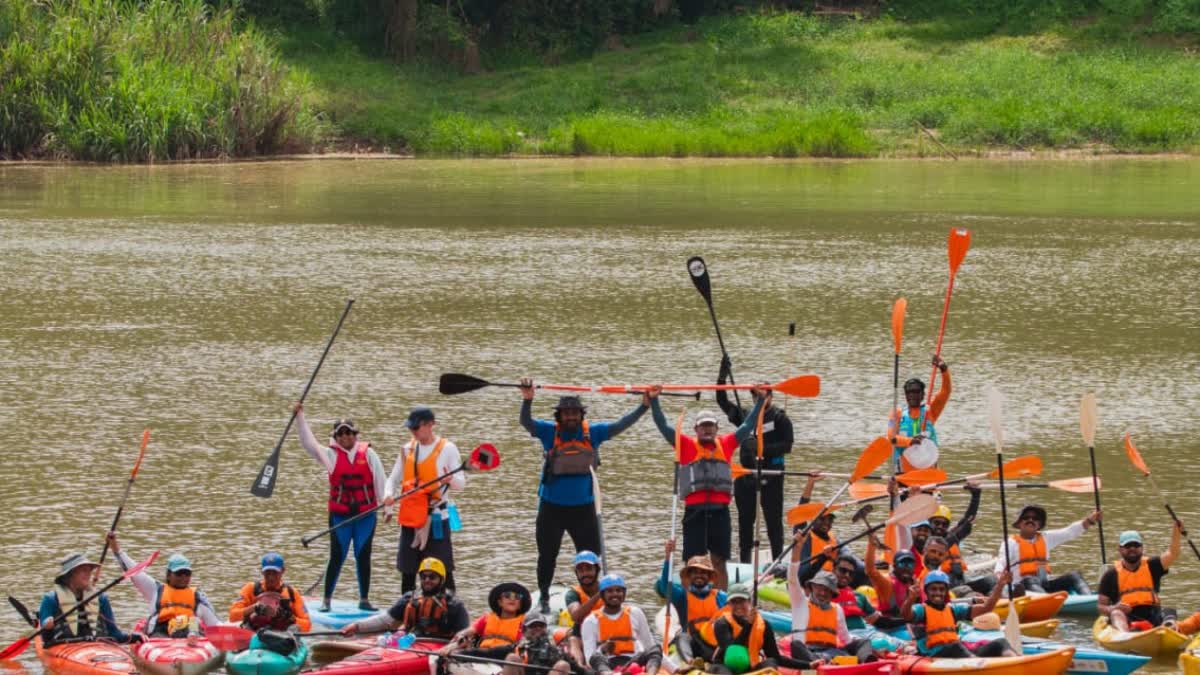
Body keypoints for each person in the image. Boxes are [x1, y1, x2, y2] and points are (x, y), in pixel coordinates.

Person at [518, 379, 649, 613]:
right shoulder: (549, 432)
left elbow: (621, 425)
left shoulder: (593, 434)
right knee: (547, 555)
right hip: (552, 508)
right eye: (566, 414)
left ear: (581, 415)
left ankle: (596, 597)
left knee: (592, 558)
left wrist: (644, 406)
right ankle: (545, 596)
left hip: (584, 509)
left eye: (575, 413)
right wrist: (527, 400)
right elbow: (525, 422)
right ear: (559, 416)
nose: (571, 417)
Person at [648, 384, 767, 590]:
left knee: (719, 562)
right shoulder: (686, 445)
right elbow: (663, 426)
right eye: (703, 426)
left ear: (716, 428)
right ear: (696, 429)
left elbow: (747, 426)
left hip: (720, 513)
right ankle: (689, 601)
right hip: (694, 513)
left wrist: (759, 402)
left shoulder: (727, 444)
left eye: (710, 425)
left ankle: (720, 601)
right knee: (693, 563)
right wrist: (654, 401)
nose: (707, 429)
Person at [294, 402, 387, 612]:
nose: (345, 437)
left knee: (363, 555)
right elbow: (308, 443)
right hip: (340, 517)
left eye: (349, 433)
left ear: (355, 435)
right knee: (337, 555)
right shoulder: (330, 455)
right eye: (340, 434)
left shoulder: (369, 455)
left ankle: (364, 599)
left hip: (366, 516)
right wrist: (300, 417)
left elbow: (380, 480)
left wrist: (387, 507)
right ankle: (326, 600)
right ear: (335, 438)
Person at [716, 357, 793, 563]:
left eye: (760, 394)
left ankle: (777, 562)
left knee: (773, 522)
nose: (755, 398)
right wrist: (723, 374)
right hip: (746, 476)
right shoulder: (745, 416)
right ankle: (745, 563)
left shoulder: (780, 418)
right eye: (753, 394)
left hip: (771, 475)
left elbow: (787, 445)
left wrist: (762, 449)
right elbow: (722, 401)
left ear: (770, 395)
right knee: (745, 522)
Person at [385, 406, 465, 594]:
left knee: (441, 570)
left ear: (430, 425)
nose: (413, 432)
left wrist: (450, 479)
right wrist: (388, 495)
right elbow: (393, 479)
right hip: (411, 518)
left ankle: (449, 608)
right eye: (411, 428)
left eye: (416, 427)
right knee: (408, 570)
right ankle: (407, 610)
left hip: (436, 518)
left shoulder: (447, 449)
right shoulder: (407, 449)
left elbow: (461, 484)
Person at [107, 533, 219, 637]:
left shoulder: (198, 597)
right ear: (169, 575)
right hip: (160, 636)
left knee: (193, 621)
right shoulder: (156, 590)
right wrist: (116, 549)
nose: (183, 577)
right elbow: (134, 571)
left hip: (190, 634)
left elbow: (215, 624)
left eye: (187, 573)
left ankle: (192, 637)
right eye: (179, 573)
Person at [340, 557, 470, 639]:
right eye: (424, 576)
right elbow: (385, 620)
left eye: (432, 577)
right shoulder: (410, 597)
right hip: (410, 643)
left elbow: (465, 635)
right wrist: (356, 626)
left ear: (441, 580)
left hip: (438, 645)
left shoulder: (454, 605)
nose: (427, 580)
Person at [902, 570, 1016, 658]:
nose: (938, 593)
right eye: (933, 589)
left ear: (946, 592)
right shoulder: (921, 610)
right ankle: (976, 665)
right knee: (955, 646)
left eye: (941, 589)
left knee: (1001, 643)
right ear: (926, 591)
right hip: (934, 655)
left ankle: (1017, 664)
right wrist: (910, 599)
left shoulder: (953, 609)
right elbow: (906, 615)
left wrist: (1000, 585)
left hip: (957, 652)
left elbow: (986, 608)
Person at [786, 554, 877, 666]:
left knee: (864, 642)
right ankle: (820, 664)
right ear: (812, 587)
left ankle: (868, 665)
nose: (823, 593)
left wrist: (860, 647)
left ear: (832, 593)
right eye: (820, 588)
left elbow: (846, 639)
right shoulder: (801, 604)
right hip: (809, 652)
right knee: (796, 645)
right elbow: (792, 579)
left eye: (827, 590)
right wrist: (797, 549)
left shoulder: (837, 609)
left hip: (831, 652)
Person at [701, 584, 814, 673]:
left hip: (750, 667)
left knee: (771, 661)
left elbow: (776, 657)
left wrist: (807, 665)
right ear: (729, 604)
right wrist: (748, 625)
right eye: (734, 602)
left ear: (749, 601)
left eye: (742, 601)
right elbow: (733, 652)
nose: (738, 606)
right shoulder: (722, 624)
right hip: (725, 666)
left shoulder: (764, 625)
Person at [993, 504, 1100, 595]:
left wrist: (1090, 520)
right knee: (1030, 579)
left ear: (1039, 524)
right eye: (1026, 518)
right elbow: (1001, 563)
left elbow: (1070, 532)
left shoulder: (1046, 537)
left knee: (1074, 575)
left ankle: (1089, 598)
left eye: (1035, 519)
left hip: (1045, 584)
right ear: (1019, 523)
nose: (1030, 520)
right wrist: (999, 577)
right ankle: (1046, 601)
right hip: (1023, 587)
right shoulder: (1010, 542)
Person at [38, 553, 134, 647]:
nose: (88, 574)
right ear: (70, 574)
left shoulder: (101, 598)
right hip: (63, 648)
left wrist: (134, 637)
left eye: (89, 571)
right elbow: (46, 640)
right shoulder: (51, 599)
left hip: (97, 647)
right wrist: (47, 627)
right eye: (84, 570)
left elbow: (114, 634)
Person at [1098, 527, 1182, 631]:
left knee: (1169, 611)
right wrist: (1113, 608)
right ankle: (1124, 635)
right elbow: (1101, 606)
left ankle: (1168, 631)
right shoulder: (1110, 575)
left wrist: (1176, 531)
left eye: (1136, 545)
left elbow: (1173, 553)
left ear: (1142, 548)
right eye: (1128, 546)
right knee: (1116, 613)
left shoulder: (1153, 565)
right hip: (1127, 618)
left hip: (1153, 617)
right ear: (1120, 549)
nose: (1132, 548)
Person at [655, 544, 727, 664]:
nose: (699, 575)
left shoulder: (720, 597)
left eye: (703, 572)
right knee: (681, 636)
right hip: (691, 646)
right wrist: (668, 558)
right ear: (689, 576)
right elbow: (665, 586)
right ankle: (690, 662)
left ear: (709, 576)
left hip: (714, 646)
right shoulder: (682, 597)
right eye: (695, 572)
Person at [580, 574, 661, 675]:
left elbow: (649, 644)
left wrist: (674, 669)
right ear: (602, 595)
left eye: (618, 590)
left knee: (655, 649)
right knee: (595, 657)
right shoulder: (591, 621)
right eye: (610, 591)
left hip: (632, 661)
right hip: (607, 664)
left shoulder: (635, 613)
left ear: (624, 594)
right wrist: (602, 649)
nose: (615, 594)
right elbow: (589, 658)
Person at [888, 355, 951, 472]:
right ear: (905, 395)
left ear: (923, 395)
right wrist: (910, 441)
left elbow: (945, 391)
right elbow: (891, 438)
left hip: (928, 472)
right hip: (904, 474)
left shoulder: (930, 411)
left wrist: (943, 369)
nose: (912, 395)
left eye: (916, 392)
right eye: (909, 392)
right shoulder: (896, 413)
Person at [441, 582, 530, 660]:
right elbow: (469, 631)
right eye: (507, 595)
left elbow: (525, 643)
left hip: (505, 656)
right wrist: (456, 641)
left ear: (520, 605)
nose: (512, 599)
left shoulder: (525, 622)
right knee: (455, 653)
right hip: (482, 653)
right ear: (500, 602)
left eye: (517, 597)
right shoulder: (487, 618)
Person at [228, 553, 312, 632]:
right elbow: (232, 616)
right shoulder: (250, 589)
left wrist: (290, 618)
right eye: (267, 573)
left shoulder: (292, 593)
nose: (271, 577)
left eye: (275, 573)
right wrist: (254, 608)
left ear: (282, 571)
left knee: (294, 628)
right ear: (262, 572)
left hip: (283, 635)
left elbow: (307, 625)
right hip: (255, 632)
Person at [927, 497, 995, 594]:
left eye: (944, 524)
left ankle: (992, 600)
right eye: (936, 523)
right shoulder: (927, 542)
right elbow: (947, 542)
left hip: (960, 579)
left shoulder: (952, 535)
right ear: (930, 523)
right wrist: (961, 532)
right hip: (941, 585)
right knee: (965, 590)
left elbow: (969, 518)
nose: (940, 526)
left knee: (991, 580)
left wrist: (976, 494)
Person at [864, 534, 917, 631]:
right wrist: (871, 546)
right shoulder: (887, 583)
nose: (906, 567)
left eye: (909, 564)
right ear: (895, 566)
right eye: (902, 563)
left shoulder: (915, 583)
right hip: (888, 628)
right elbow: (870, 570)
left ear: (914, 568)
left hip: (907, 626)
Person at [504, 612, 580, 675]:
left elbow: (579, 670)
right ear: (524, 630)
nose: (538, 628)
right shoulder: (515, 647)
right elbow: (492, 653)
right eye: (533, 626)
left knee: (563, 665)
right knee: (512, 658)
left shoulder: (556, 651)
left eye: (541, 626)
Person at [563, 550, 603, 665]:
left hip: (604, 633)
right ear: (576, 573)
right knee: (573, 640)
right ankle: (581, 667)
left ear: (597, 570)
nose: (585, 573)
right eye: (581, 570)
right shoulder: (572, 594)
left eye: (589, 569)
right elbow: (576, 616)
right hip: (580, 635)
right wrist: (598, 595)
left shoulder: (610, 589)